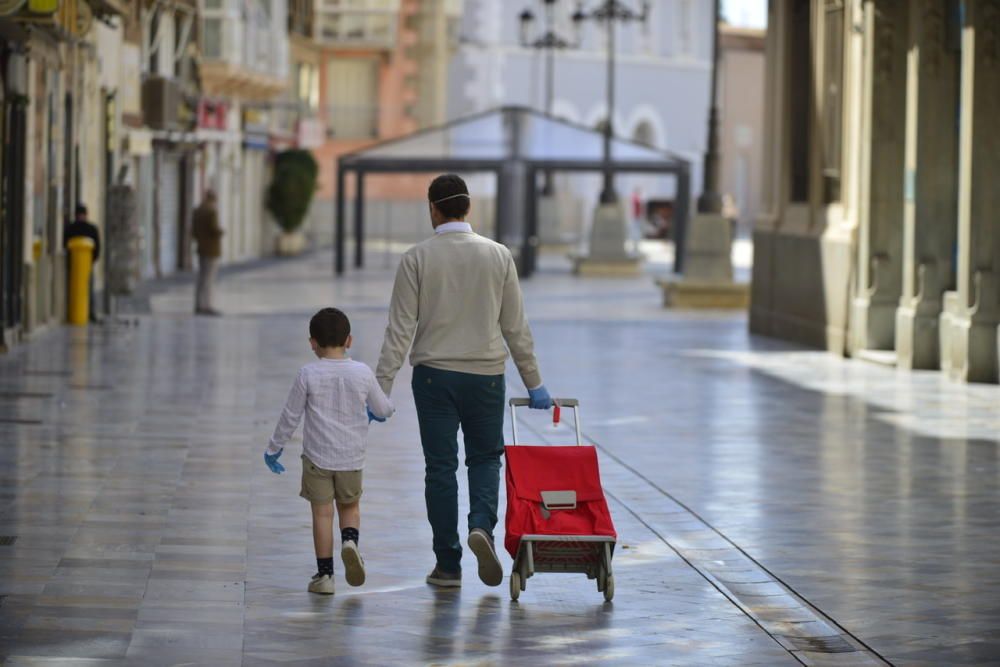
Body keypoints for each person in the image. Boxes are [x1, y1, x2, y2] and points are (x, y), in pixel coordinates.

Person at [375, 173, 553, 589]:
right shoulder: (498, 256)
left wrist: (379, 388)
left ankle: (448, 564)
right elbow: (516, 328)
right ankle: (481, 529)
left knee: (440, 468)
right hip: (486, 376)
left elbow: (399, 330)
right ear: (469, 208)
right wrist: (534, 382)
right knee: (486, 459)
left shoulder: (417, 258)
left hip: (434, 378)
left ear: (433, 209)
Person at [264, 307, 394, 595]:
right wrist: (379, 413)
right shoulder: (362, 372)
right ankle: (350, 542)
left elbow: (290, 415)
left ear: (313, 343)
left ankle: (325, 577)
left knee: (322, 515)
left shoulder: (307, 374)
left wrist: (274, 449)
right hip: (351, 458)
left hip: (317, 459)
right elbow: (383, 408)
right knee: (350, 507)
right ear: (349, 340)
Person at [64, 203, 101, 322]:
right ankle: (87, 313)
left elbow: (65, 244)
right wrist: (91, 260)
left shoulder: (70, 228)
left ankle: (85, 313)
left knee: (85, 290)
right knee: (88, 289)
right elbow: (97, 248)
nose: (80, 217)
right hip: (85, 264)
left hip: (77, 265)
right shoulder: (91, 229)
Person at [192, 190, 223, 316]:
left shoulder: (197, 211)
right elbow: (214, 229)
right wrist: (221, 232)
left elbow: (193, 231)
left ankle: (199, 304)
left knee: (201, 279)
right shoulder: (211, 212)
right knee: (209, 279)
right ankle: (207, 305)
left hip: (201, 248)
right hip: (211, 250)